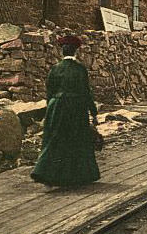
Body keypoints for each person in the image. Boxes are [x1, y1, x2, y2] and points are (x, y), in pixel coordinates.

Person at [31, 34, 100, 188]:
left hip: (56, 107)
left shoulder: (55, 69)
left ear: (62, 52)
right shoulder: (80, 69)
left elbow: (49, 92)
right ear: (76, 52)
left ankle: (47, 174)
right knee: (77, 140)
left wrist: (49, 110)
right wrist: (94, 113)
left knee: (55, 139)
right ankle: (77, 176)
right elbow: (86, 93)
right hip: (75, 107)